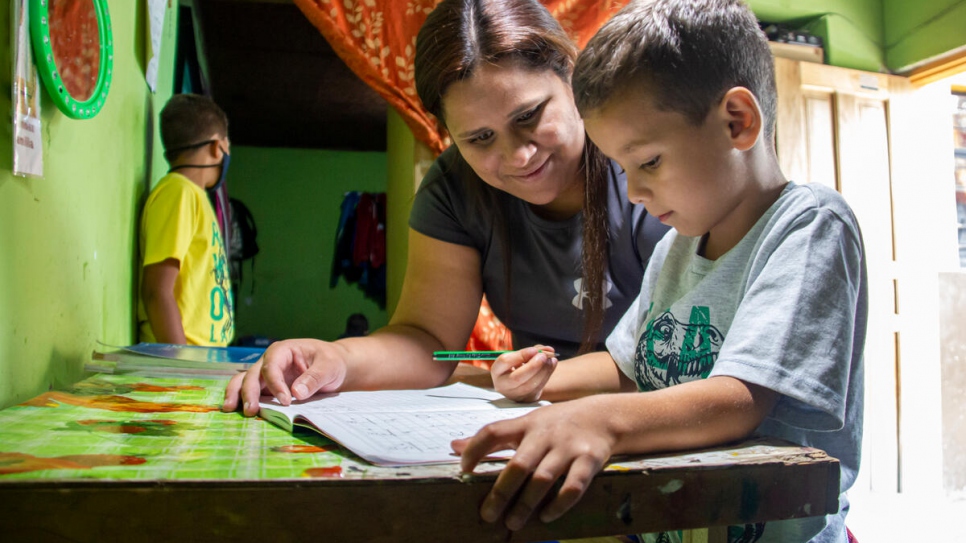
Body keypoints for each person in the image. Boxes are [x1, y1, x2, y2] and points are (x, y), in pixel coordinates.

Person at [453, 1, 867, 541]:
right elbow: (630, 368)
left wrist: (598, 420)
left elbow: (739, 398)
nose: (633, 191)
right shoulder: (678, 246)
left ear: (736, 121)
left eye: (648, 162)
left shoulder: (808, 225)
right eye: (622, 168)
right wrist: (540, 382)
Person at [221, 0, 669, 414]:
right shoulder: (454, 189)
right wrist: (338, 356)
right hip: (538, 421)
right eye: (480, 138)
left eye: (528, 116)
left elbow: (686, 351)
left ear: (571, 75)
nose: (517, 156)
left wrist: (537, 383)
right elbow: (427, 340)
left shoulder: (649, 158)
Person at [138, 93, 234, 346]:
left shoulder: (195, 196)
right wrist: (180, 367)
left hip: (201, 360)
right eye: (227, 148)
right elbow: (157, 292)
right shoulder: (179, 193)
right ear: (217, 148)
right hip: (184, 363)